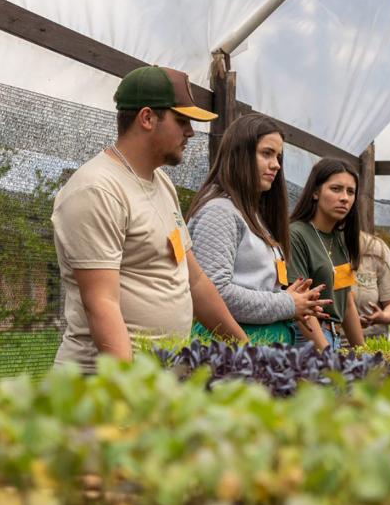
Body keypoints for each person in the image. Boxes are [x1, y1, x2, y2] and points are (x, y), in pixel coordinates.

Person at [51, 65, 247, 373]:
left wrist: (246, 351)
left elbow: (194, 280)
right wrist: (132, 394)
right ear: (147, 118)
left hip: (157, 383)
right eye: (182, 120)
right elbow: (102, 303)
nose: (191, 132)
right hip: (103, 386)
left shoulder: (161, 183)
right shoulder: (97, 189)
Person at [186, 113, 330, 343]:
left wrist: (295, 299)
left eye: (278, 156)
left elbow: (254, 284)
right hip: (230, 347)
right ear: (239, 154)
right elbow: (216, 293)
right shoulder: (219, 211)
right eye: (266, 153)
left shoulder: (254, 214)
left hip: (263, 346)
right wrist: (288, 303)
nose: (276, 165)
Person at [288, 158, 366, 350]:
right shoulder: (296, 234)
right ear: (315, 192)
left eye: (350, 192)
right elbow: (301, 303)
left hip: (333, 337)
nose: (345, 198)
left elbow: (347, 303)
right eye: (336, 189)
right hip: (305, 339)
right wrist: (326, 353)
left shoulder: (340, 239)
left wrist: (364, 355)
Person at [355, 232, 390, 338]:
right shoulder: (314, 246)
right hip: (325, 345)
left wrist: (383, 316)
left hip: (373, 343)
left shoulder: (375, 248)